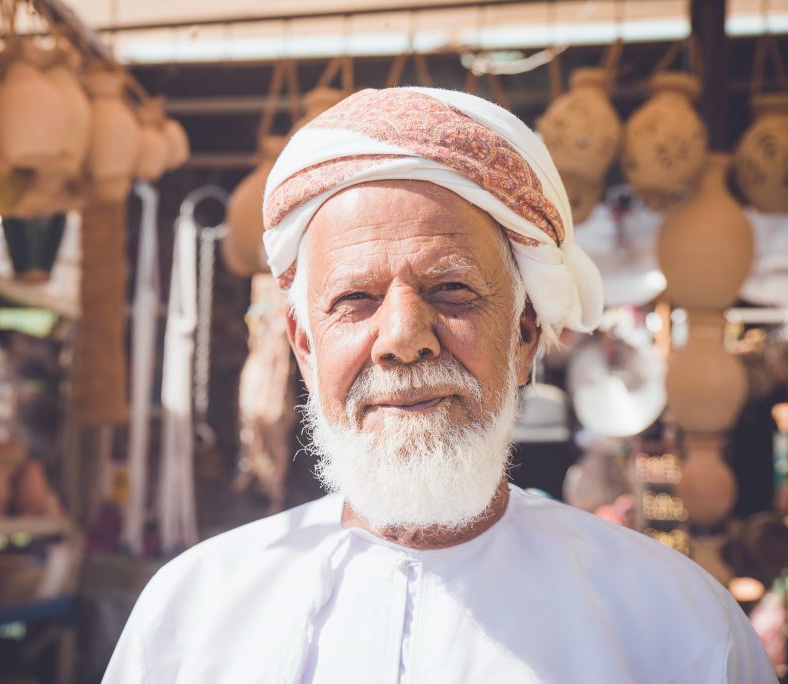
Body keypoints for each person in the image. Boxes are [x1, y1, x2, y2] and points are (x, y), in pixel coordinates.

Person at [102, 87, 776, 683]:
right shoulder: (194, 613)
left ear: (525, 333)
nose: (402, 338)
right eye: (356, 299)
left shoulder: (674, 625)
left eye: (451, 290)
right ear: (304, 345)